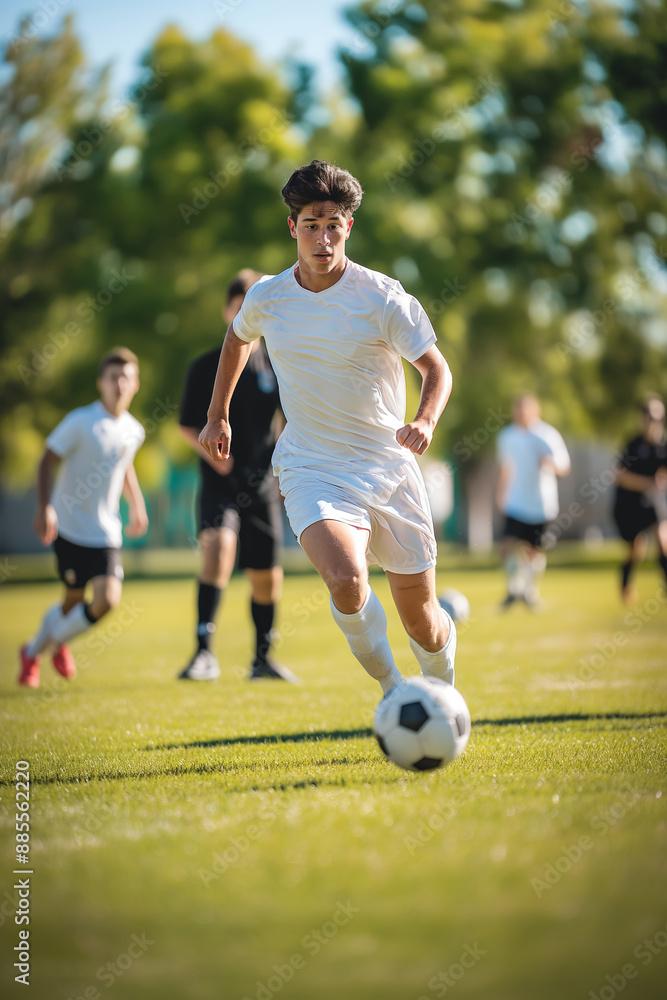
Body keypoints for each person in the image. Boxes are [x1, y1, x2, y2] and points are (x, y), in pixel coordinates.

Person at [198, 159, 457, 697]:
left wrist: (425, 421)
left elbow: (436, 369)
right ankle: (395, 694)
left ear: (348, 227)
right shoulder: (268, 296)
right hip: (311, 466)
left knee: (423, 622)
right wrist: (217, 412)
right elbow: (236, 340)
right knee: (345, 579)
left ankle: (443, 691)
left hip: (388, 467)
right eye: (311, 225)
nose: (322, 237)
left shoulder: (382, 296)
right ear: (292, 227)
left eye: (332, 224)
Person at [178, 270, 296, 682]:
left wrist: (285, 466)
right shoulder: (207, 365)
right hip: (220, 483)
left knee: (267, 575)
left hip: (262, 483)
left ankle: (262, 660)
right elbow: (185, 425)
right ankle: (203, 654)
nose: (247, 313)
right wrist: (214, 457)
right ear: (229, 310)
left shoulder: (277, 364)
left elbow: (288, 420)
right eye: (240, 305)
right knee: (219, 552)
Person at [19, 347, 148, 687]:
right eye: (113, 378)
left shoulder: (135, 430)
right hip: (71, 528)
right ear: (100, 383)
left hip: (106, 531)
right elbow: (47, 459)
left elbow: (124, 466)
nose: (119, 384)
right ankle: (32, 653)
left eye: (126, 378)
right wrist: (44, 506)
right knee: (72, 601)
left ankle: (52, 644)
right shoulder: (80, 421)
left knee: (108, 600)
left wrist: (137, 503)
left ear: (136, 384)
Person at [495, 394, 571, 609]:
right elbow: (505, 468)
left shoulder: (547, 435)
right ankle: (513, 590)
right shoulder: (507, 436)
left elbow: (564, 466)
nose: (520, 413)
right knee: (507, 546)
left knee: (533, 551)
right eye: (517, 409)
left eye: (525, 409)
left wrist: (550, 463)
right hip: (515, 502)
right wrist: (500, 494)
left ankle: (530, 593)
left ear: (535, 410)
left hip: (541, 505)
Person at [612, 395, 667, 605]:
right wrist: (648, 484)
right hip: (628, 504)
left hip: (651, 502)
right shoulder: (633, 445)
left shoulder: (662, 445)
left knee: (663, 541)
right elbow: (620, 476)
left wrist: (659, 482)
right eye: (649, 416)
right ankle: (626, 584)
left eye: (658, 417)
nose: (653, 421)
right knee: (636, 550)